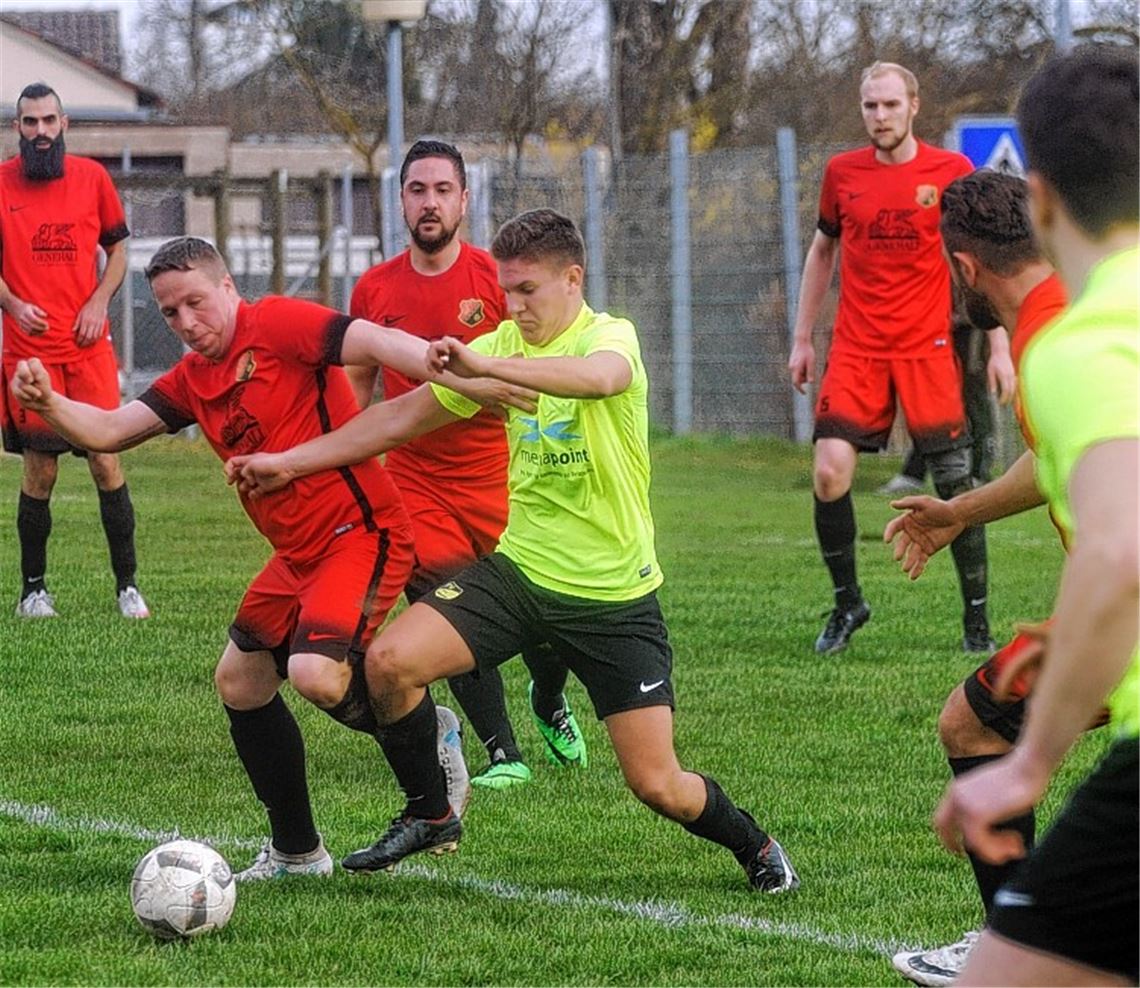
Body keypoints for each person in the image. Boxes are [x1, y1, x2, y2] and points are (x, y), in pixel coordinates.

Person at [227, 208, 800, 891]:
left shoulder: (609, 336)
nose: (514, 304)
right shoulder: (499, 343)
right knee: (389, 662)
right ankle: (431, 812)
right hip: (519, 572)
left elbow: (600, 379)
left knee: (659, 784)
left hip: (613, 595)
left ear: (572, 278)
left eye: (528, 289)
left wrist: (485, 364)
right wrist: (292, 462)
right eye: (507, 290)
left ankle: (754, 843)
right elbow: (397, 419)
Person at [8, 236, 535, 880]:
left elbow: (368, 339)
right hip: (298, 554)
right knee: (241, 682)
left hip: (361, 531)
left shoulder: (277, 323)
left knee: (316, 674)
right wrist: (48, 404)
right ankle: (296, 852)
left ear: (228, 287)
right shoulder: (192, 379)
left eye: (196, 303)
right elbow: (110, 430)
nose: (186, 323)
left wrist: (438, 361)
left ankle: (430, 761)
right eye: (170, 313)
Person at [914, 46, 1137, 987]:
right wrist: (962, 509)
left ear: (1039, 195)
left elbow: (1122, 546)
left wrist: (1034, 757)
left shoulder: (1072, 341)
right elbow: (1067, 467)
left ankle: (998, 925)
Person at [883, 170, 1087, 985]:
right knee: (972, 723)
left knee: (978, 731)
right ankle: (1013, 941)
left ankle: (1018, 950)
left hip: (1118, 614)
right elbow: (1058, 458)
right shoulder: (1065, 321)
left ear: (963, 268)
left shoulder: (1054, 346)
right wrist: (961, 510)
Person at [347, 139, 584, 790]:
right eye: (417, 190)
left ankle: (549, 697)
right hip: (416, 480)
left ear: (464, 199)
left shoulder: (493, 278)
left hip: (503, 472)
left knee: (542, 612)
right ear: (400, 200)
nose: (429, 202)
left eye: (442, 190)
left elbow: (545, 358)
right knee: (447, 601)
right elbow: (356, 385)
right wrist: (343, 461)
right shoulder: (375, 287)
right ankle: (502, 751)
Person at [788, 61, 1011, 656]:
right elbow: (821, 251)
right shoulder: (842, 174)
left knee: (957, 483)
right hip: (858, 348)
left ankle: (977, 624)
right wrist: (804, 337)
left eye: (890, 105)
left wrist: (998, 344)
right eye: (870, 106)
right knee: (830, 471)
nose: (880, 116)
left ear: (914, 106)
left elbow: (981, 259)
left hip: (928, 348)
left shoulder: (950, 171)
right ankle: (847, 603)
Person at [0, 82, 149, 619]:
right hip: (30, 353)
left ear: (64, 125)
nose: (40, 131)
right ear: (17, 129)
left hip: (88, 349)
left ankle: (128, 588)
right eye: (29, 122)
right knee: (40, 469)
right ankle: (33, 593)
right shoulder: (1, 184)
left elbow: (118, 252)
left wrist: (98, 302)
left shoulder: (92, 178)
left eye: (48, 121)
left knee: (106, 462)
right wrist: (13, 305)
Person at [877, 310, 1011, 494]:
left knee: (973, 395)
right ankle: (914, 473)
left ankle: (979, 472)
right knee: (931, 400)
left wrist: (999, 348)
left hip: (969, 325)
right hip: (936, 326)